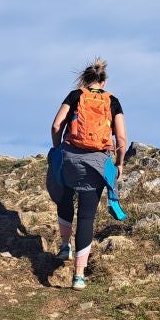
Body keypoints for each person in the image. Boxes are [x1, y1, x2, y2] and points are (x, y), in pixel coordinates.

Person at [49, 58, 128, 289]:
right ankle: (79, 276)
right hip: (97, 164)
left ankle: (65, 246)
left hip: (69, 159)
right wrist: (119, 163)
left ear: (85, 79)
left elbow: (56, 126)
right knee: (86, 217)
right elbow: (121, 140)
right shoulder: (113, 101)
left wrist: (57, 148)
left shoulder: (75, 96)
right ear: (104, 81)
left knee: (64, 198)